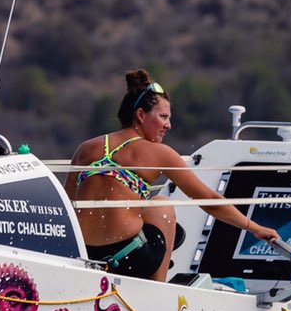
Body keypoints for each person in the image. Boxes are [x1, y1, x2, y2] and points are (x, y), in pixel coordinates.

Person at [63, 69, 279, 281]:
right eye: (163, 117)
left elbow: (67, 206)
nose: (168, 125)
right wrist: (254, 228)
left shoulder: (85, 149)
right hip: (129, 257)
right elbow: (210, 201)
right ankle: (160, 288)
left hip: (85, 257)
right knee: (161, 206)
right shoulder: (159, 153)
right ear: (140, 115)